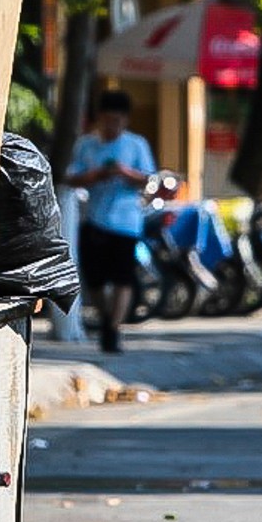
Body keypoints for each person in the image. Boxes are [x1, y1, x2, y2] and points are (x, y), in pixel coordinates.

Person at [66, 90, 157, 353]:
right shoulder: (86, 145)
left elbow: (148, 179)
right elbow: (71, 178)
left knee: (122, 278)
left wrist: (123, 172)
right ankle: (106, 316)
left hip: (126, 220)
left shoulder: (135, 144)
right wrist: (96, 176)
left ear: (125, 120)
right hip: (94, 218)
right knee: (93, 278)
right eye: (107, 120)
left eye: (117, 120)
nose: (112, 126)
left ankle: (113, 328)